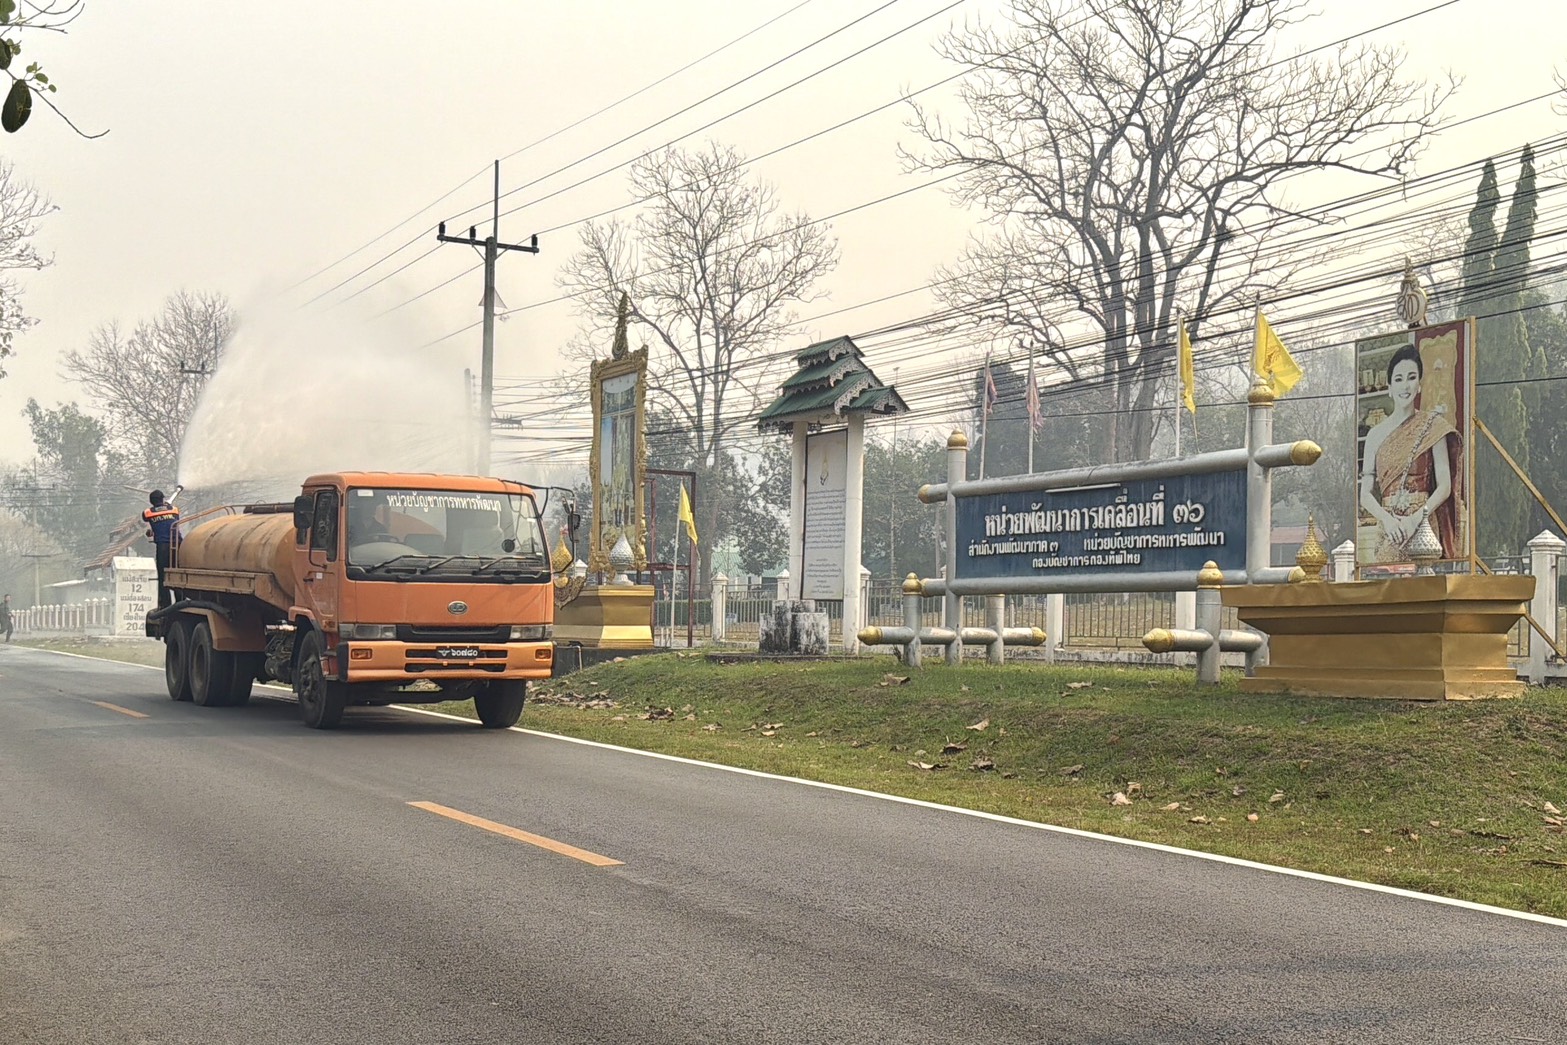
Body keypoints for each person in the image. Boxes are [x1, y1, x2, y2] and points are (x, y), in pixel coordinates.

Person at [1359, 345, 1462, 563]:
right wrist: (1387, 520)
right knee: (1388, 589)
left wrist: (1417, 518)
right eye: (1398, 379)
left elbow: (1444, 486)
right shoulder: (1374, 435)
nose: (1404, 386)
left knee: (1424, 585)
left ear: (1419, 385)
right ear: (1389, 387)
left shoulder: (1432, 426)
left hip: (1423, 526)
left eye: (1411, 377)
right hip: (1389, 528)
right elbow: (1365, 494)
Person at [143, 490, 182, 607]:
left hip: (163, 547)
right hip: (178, 545)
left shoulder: (148, 512)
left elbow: (146, 518)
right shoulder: (174, 509)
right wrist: (166, 506)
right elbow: (174, 517)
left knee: (162, 577)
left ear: (151, 501)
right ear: (163, 499)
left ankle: (165, 604)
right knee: (177, 574)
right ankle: (180, 601)